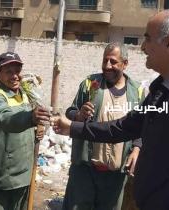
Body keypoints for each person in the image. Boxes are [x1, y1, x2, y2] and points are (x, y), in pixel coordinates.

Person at [52, 9, 169, 210]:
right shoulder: (159, 91)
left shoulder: (153, 93)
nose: (142, 47)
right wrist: (73, 126)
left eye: (147, 39)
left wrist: (136, 148)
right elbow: (124, 128)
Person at [62, 42, 145, 210]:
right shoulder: (90, 83)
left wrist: (136, 149)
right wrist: (78, 115)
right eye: (105, 60)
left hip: (116, 174)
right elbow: (70, 112)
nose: (107, 66)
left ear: (125, 64)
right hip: (85, 169)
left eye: (113, 61)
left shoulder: (138, 92)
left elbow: (141, 127)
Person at [0, 52, 50, 210]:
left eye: (17, 71)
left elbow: (34, 117)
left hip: (24, 176)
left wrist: (39, 127)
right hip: (2, 180)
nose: (15, 76)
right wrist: (30, 119)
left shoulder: (24, 95)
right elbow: (7, 120)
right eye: (9, 72)